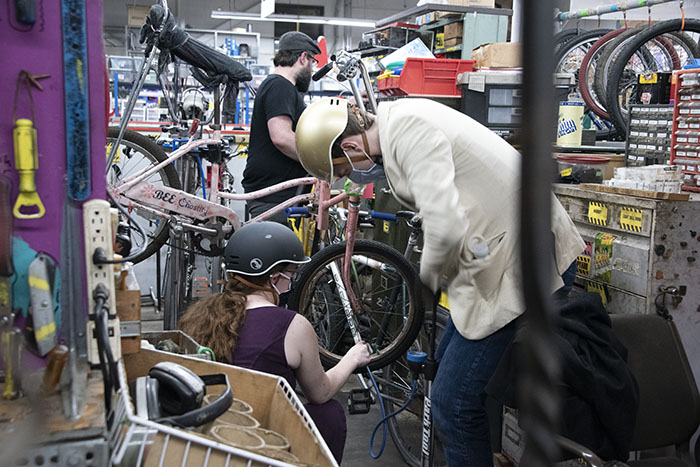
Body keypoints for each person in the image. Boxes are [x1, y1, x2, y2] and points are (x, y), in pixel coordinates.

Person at [294, 97, 586, 466]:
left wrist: (428, 286)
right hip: (498, 257)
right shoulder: (398, 121)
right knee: (447, 376)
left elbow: (445, 225)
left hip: (522, 265)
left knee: (454, 404)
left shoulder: (410, 133)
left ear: (351, 146)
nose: (353, 176)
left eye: (345, 169)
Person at [178, 221, 370, 463]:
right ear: (274, 277)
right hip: (259, 440)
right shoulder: (292, 325)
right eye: (290, 275)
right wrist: (352, 358)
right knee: (328, 413)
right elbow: (320, 393)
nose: (291, 282)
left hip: (205, 435)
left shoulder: (200, 314)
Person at [241, 31, 321, 223]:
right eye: (312, 62)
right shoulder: (280, 86)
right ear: (303, 57)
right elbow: (281, 137)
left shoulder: (280, 86)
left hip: (279, 195)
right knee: (281, 252)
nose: (312, 70)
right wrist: (318, 162)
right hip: (274, 198)